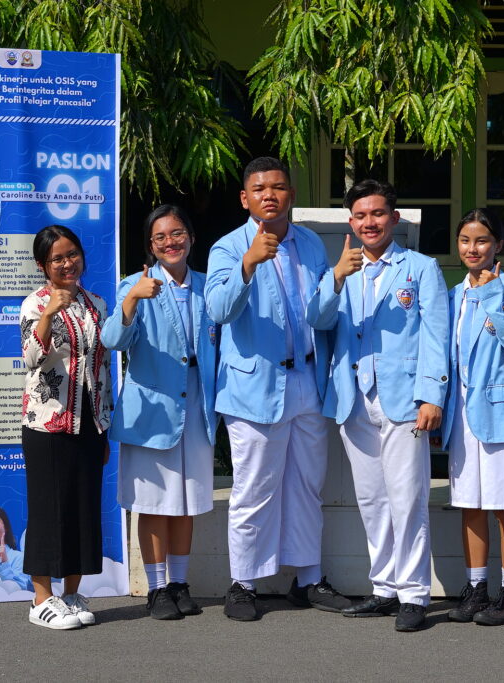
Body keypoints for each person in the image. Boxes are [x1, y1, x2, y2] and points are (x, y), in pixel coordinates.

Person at [205, 157, 350, 621]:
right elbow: (218, 311)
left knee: (307, 486)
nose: (270, 194)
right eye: (260, 188)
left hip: (306, 380)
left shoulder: (308, 243)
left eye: (280, 187)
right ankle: (243, 583)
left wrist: (339, 281)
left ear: (291, 195)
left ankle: (308, 579)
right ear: (245, 198)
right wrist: (248, 265)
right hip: (254, 386)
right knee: (254, 488)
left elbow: (322, 318)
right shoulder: (228, 247)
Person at [307, 179, 450, 632]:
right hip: (353, 398)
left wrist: (433, 394)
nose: (369, 222)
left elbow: (435, 336)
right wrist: (335, 278)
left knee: (408, 499)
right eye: (361, 215)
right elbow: (318, 320)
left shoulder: (420, 268)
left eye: (378, 213)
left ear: (395, 217)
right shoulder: (341, 271)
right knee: (372, 499)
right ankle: (385, 587)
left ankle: (413, 594)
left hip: (405, 398)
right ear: (351, 222)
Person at [102, 205, 218, 620]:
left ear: (190, 236)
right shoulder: (133, 284)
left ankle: (180, 583)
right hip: (151, 412)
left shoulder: (208, 286)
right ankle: (156, 589)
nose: (171, 242)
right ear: (150, 246)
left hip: (197, 409)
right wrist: (132, 299)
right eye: (160, 237)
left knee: (186, 503)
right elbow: (114, 339)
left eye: (177, 233)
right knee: (152, 504)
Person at [441, 209, 504, 626]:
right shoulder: (452, 294)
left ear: (497, 245)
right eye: (465, 240)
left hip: (502, 410)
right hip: (461, 414)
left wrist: (493, 292)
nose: (472, 249)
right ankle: (476, 588)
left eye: (481, 241)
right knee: (469, 506)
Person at [20, 224, 113, 630]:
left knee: (82, 508)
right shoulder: (34, 304)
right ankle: (41, 599)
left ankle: (72, 595)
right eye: (57, 258)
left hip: (89, 421)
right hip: (47, 424)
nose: (67, 263)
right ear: (43, 265)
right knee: (48, 510)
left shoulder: (96, 304)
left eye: (72, 254)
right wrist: (49, 314)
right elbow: (30, 357)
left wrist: (105, 424)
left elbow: (104, 368)